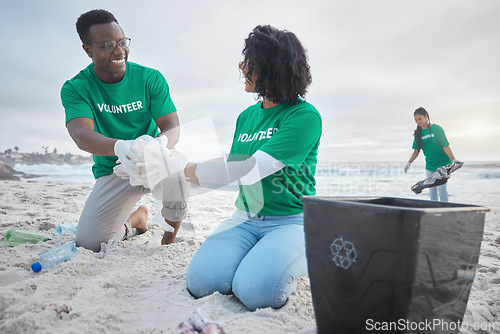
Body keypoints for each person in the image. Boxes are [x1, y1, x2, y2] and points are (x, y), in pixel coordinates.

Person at [115, 25, 322, 310]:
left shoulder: (304, 116)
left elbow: (248, 170)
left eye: (249, 60)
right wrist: (155, 163)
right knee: (202, 282)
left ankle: (296, 254)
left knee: (257, 291)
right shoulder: (247, 116)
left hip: (290, 221)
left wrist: (179, 167)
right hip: (246, 218)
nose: (242, 66)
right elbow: (231, 169)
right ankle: (264, 257)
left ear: (270, 66)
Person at [60, 9, 189, 252]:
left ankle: (168, 242)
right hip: (115, 168)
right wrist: (121, 147)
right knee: (90, 243)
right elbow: (81, 134)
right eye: (108, 45)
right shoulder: (76, 88)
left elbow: (172, 126)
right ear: (88, 50)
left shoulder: (150, 78)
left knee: (180, 171)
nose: (119, 51)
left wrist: (159, 144)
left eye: (122, 42)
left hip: (153, 160)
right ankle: (137, 219)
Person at [404, 107, 460, 202]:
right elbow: (416, 151)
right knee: (432, 188)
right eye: (416, 120)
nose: (418, 122)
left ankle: (444, 210)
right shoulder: (419, 133)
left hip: (443, 164)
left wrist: (454, 160)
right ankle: (434, 209)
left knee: (442, 188)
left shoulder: (437, 129)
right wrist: (409, 163)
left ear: (426, 116)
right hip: (430, 164)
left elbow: (445, 146)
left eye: (419, 119)